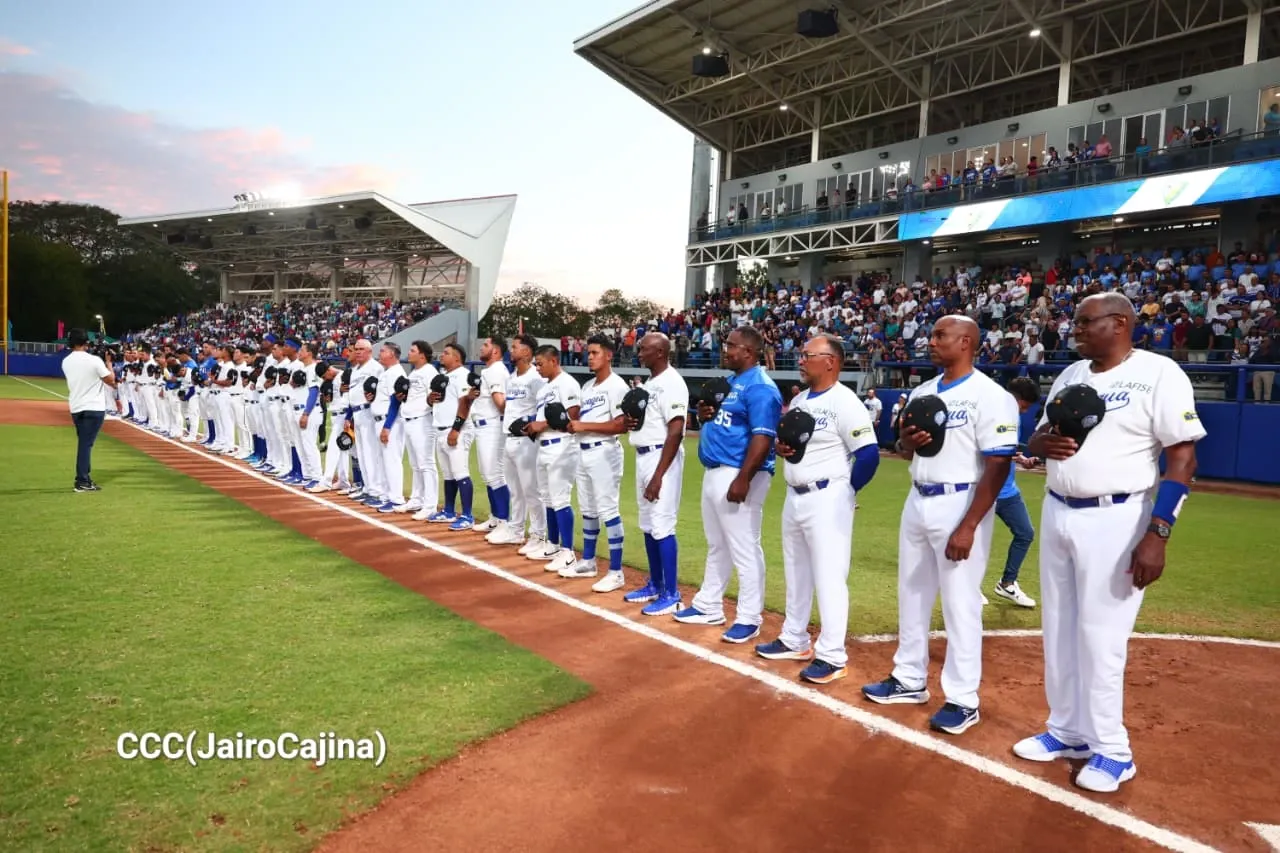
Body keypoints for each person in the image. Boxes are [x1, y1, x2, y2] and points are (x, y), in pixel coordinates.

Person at [1012, 293, 1206, 793]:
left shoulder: (1160, 374)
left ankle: (1113, 751)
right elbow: (1038, 440)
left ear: (1119, 323)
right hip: (1058, 509)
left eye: (1083, 322)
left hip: (1117, 516)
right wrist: (1040, 446)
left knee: (1101, 636)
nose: (1073, 329)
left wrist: (1158, 533)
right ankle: (1068, 730)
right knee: (1059, 629)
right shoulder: (1072, 375)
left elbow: (1182, 460)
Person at [861, 316, 1017, 737]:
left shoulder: (991, 395)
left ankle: (964, 699)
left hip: (961, 500)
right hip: (919, 497)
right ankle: (909, 679)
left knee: (960, 604)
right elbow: (905, 447)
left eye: (939, 336)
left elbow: (999, 464)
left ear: (965, 342)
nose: (930, 341)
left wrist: (969, 525)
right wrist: (907, 442)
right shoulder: (925, 391)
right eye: (931, 335)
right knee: (911, 592)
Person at [755, 333, 880, 684]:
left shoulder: (846, 402)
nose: (801, 360)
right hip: (795, 495)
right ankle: (794, 638)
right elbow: (796, 447)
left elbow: (868, 454)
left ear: (830, 361)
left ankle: (832, 654)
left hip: (828, 495)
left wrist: (846, 491)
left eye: (808, 354)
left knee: (829, 577)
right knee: (797, 572)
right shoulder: (799, 403)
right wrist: (785, 451)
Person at [675, 326, 782, 644]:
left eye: (731, 346)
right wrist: (706, 415)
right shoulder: (732, 382)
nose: (725, 350)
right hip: (716, 470)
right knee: (717, 543)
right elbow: (723, 422)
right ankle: (709, 604)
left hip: (739, 472)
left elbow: (763, 437)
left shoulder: (761, 387)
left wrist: (743, 479)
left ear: (748, 352)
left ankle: (750, 617)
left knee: (745, 546)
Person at [621, 332, 689, 612]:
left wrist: (659, 475)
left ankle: (671, 594)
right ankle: (656, 585)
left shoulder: (673, 382)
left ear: (660, 352)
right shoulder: (651, 384)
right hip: (643, 455)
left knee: (662, 525)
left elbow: (676, 430)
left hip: (662, 457)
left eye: (644, 349)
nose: (639, 352)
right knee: (648, 524)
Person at [561, 335, 630, 581]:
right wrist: (573, 425)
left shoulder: (618, 386)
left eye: (595, 353)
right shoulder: (587, 387)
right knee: (588, 509)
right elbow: (580, 422)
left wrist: (583, 425)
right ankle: (588, 561)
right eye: (588, 353)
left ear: (609, 355)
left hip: (604, 451)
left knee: (608, 509)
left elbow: (622, 425)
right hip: (583, 449)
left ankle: (616, 571)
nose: (589, 357)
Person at [524, 345, 583, 567]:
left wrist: (543, 424)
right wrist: (530, 426)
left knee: (560, 499)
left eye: (540, 363)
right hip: (544, 444)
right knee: (548, 498)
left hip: (562, 444)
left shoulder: (567, 383)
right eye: (536, 364)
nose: (537, 368)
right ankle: (553, 544)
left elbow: (573, 414)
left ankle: (567, 552)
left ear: (554, 361)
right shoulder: (543, 388)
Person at [990, 376, 1040, 608]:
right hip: (985, 489)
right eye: (1024, 406)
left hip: (1008, 490)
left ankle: (1007, 583)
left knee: (1025, 533)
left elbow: (1006, 450)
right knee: (974, 541)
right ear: (1015, 399)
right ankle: (968, 587)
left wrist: (1021, 459)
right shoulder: (990, 411)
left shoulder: (1012, 417)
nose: (1023, 412)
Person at [499, 335, 547, 548]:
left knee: (531, 490)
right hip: (508, 439)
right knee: (514, 490)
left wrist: (530, 422)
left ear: (527, 352)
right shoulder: (511, 378)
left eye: (515, 347)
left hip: (526, 440)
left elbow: (544, 408)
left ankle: (538, 534)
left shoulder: (536, 379)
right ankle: (516, 529)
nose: (511, 350)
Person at [424, 344, 475, 528]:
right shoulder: (444, 377)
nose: (442, 356)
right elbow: (437, 402)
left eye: (446, 353)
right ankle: (449, 511)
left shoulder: (462, 375)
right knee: (448, 474)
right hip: (440, 428)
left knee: (460, 472)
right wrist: (430, 399)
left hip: (456, 429)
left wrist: (456, 429)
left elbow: (465, 403)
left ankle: (468, 515)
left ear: (457, 358)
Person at [61, 328, 118, 492]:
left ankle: (85, 478)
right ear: (86, 342)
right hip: (93, 407)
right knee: (85, 445)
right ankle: (82, 481)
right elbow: (111, 380)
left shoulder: (66, 361)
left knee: (85, 443)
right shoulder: (93, 360)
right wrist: (108, 362)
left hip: (76, 407)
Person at [468, 338, 512, 533]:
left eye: (485, 345)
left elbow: (500, 403)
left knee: (494, 475)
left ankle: (504, 521)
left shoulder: (496, 371)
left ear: (495, 350)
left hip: (493, 426)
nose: (481, 348)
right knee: (488, 475)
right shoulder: (490, 370)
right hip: (484, 426)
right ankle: (495, 517)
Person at [372, 342, 408, 512]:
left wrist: (387, 426)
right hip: (381, 420)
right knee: (384, 460)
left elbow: (396, 402)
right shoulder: (388, 372)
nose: (380, 353)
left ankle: (396, 498)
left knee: (392, 460)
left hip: (390, 422)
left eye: (383, 351)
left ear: (392, 354)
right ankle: (386, 495)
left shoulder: (396, 373)